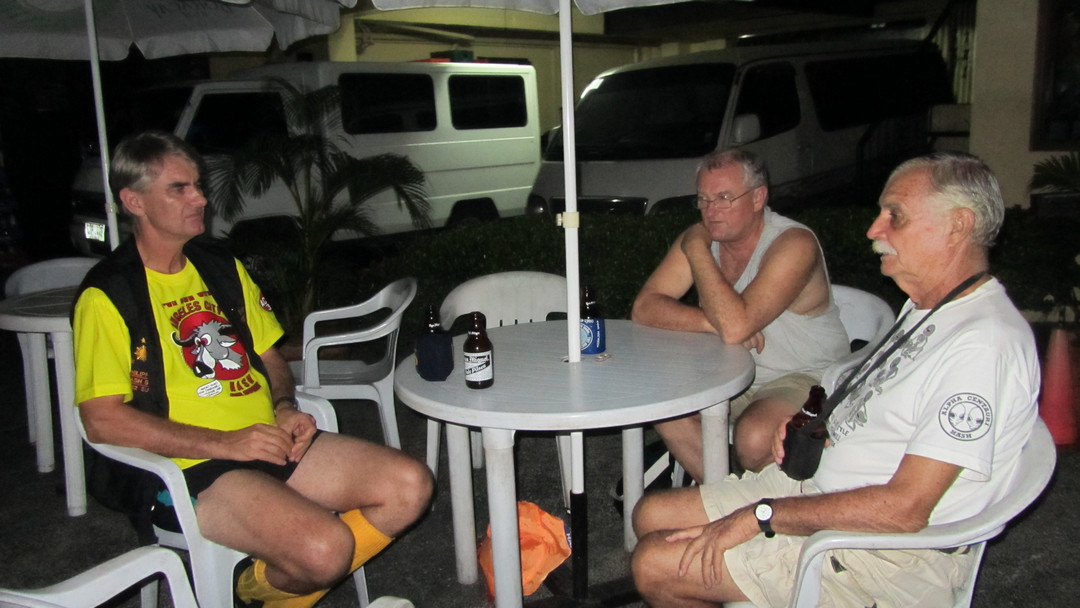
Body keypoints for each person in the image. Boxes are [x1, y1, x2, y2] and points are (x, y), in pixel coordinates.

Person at [630, 151, 1040, 607]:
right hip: (818, 487)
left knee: (654, 564)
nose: (873, 230)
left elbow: (906, 509)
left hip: (881, 554)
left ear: (958, 225)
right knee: (650, 514)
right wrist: (813, 423)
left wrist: (760, 517)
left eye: (895, 216)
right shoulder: (925, 309)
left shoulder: (983, 345)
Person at [73, 130, 433, 608]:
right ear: (133, 201)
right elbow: (101, 420)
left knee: (410, 486)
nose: (201, 198)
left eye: (198, 185)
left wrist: (283, 406)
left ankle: (263, 592)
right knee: (326, 550)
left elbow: (270, 356)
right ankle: (261, 587)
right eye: (180, 188)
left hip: (268, 438)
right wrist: (225, 443)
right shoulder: (109, 294)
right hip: (192, 468)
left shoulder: (218, 265)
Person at [632, 149, 849, 476]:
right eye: (703, 199)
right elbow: (645, 307)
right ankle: (726, 494)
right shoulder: (704, 236)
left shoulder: (794, 243)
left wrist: (696, 248)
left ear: (758, 198)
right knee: (663, 402)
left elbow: (735, 327)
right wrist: (709, 323)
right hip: (729, 373)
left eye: (723, 198)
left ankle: (738, 495)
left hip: (804, 376)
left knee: (754, 437)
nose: (710, 211)